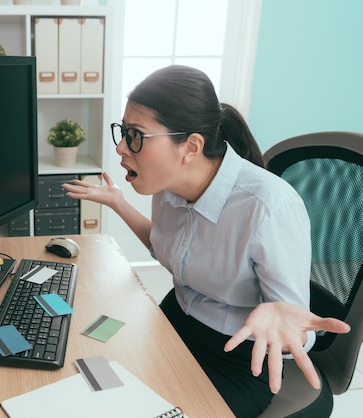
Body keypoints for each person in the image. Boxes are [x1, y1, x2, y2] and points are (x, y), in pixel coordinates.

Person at [62, 65, 350, 417]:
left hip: (235, 358)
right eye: (123, 132)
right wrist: (119, 202)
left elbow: (293, 329)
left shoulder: (269, 207)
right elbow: (168, 251)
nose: (121, 147)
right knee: (92, 388)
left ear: (191, 147)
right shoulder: (168, 188)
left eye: (136, 135)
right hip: (175, 320)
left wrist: (280, 316)